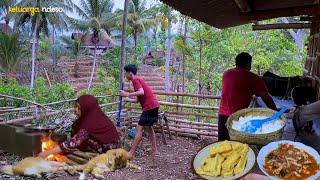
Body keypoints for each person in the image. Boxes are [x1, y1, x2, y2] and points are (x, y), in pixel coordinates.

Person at [218, 52, 277, 141]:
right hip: (237, 118)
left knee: (222, 144)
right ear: (249, 63)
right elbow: (265, 97)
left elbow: (235, 89)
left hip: (222, 115)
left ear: (236, 62)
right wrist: (275, 112)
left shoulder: (226, 74)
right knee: (237, 146)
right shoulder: (253, 78)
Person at [38, 95, 120, 158]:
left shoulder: (90, 122)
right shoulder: (93, 116)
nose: (76, 109)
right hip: (107, 144)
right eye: (75, 106)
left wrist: (47, 153)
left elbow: (73, 142)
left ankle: (95, 157)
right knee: (78, 130)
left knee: (79, 140)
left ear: (86, 108)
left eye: (79, 108)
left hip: (110, 149)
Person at [120, 64, 160, 159]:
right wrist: (127, 98)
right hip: (153, 106)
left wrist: (127, 94)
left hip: (149, 107)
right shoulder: (138, 80)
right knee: (149, 128)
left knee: (139, 129)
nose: (125, 75)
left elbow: (141, 92)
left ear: (130, 73)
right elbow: (137, 99)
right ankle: (155, 150)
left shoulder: (135, 80)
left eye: (126, 73)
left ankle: (131, 153)